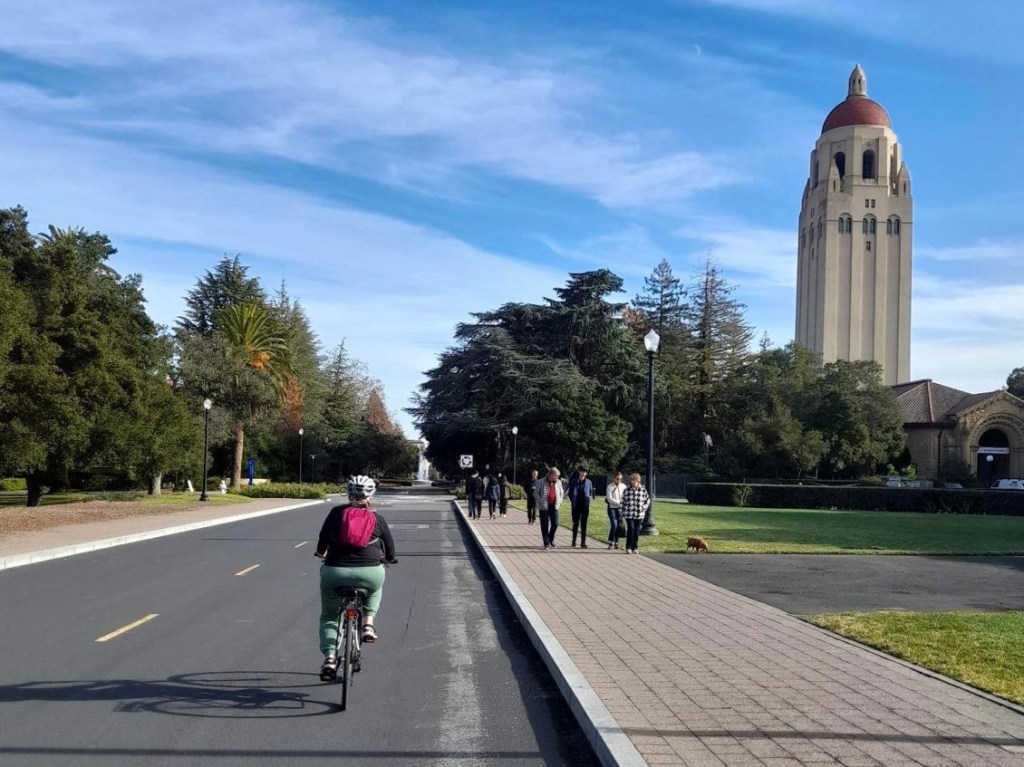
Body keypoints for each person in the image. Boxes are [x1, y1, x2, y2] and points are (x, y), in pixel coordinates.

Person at [315, 475, 396, 680]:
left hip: (335, 571)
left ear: (348, 493)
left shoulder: (335, 514)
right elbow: (391, 549)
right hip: (370, 572)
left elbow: (322, 539)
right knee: (375, 589)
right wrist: (388, 558)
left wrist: (321, 552)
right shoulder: (378, 519)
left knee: (330, 617)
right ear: (370, 495)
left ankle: (330, 658)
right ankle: (368, 623)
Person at [619, 473, 650, 555]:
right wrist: (621, 511)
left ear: (638, 480)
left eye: (635, 480)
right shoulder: (627, 490)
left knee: (636, 531)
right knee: (631, 529)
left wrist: (644, 507)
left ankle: (635, 547)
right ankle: (628, 547)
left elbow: (647, 500)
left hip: (639, 514)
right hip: (629, 514)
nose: (633, 482)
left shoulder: (643, 490)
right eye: (632, 480)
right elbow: (622, 501)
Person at [535, 467, 564, 549]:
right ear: (551, 475)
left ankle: (551, 538)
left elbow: (562, 493)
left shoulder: (558, 482)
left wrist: (560, 500)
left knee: (555, 524)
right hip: (544, 506)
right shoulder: (541, 481)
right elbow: (535, 493)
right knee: (544, 525)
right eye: (556, 476)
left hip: (554, 506)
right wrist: (540, 501)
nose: (557, 477)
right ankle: (546, 543)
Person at [568, 466, 594, 548]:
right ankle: (574, 541)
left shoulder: (589, 482)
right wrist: (573, 500)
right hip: (576, 505)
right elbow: (570, 493)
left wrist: (588, 500)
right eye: (582, 471)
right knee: (575, 523)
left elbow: (590, 492)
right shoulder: (574, 481)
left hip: (585, 506)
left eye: (585, 472)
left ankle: (583, 542)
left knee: (584, 524)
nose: (583, 473)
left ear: (586, 474)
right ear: (579, 472)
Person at [605, 471, 626, 550]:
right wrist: (618, 503)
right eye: (617, 479)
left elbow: (625, 496)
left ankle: (616, 542)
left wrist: (623, 505)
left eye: (621, 479)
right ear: (614, 478)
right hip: (612, 508)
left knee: (618, 525)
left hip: (620, 509)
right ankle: (612, 542)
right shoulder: (610, 486)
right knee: (614, 524)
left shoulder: (624, 486)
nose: (619, 480)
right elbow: (609, 498)